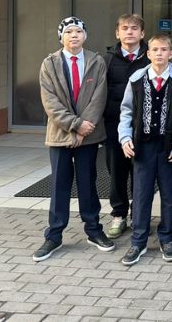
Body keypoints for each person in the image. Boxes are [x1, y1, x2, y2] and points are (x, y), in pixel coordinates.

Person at [33, 17, 114, 262]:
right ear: (61, 37)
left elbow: (99, 97)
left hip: (88, 136)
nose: (74, 35)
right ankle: (54, 235)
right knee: (59, 185)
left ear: (85, 36)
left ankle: (94, 230)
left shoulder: (96, 61)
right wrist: (75, 126)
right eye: (68, 31)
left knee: (88, 183)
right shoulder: (49, 63)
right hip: (61, 135)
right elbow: (50, 103)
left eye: (78, 31)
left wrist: (83, 129)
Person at [117, 34, 172, 266]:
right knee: (141, 194)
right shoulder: (137, 79)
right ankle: (138, 241)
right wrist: (125, 138)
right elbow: (126, 111)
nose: (159, 53)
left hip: (168, 147)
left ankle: (167, 238)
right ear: (148, 54)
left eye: (164, 49)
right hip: (143, 146)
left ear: (171, 53)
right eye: (155, 50)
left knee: (168, 194)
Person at [102, 13, 149, 240]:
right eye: (125, 28)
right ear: (117, 33)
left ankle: (138, 215)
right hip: (114, 126)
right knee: (117, 173)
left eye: (134, 28)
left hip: (144, 127)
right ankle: (119, 214)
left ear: (142, 33)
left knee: (141, 173)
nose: (129, 32)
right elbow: (99, 93)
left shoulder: (150, 58)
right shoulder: (107, 60)